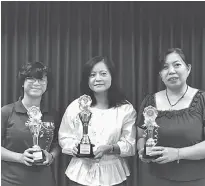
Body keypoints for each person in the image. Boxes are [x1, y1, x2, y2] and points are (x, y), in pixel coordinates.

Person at [58, 56, 136, 186]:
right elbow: (64, 137)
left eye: (103, 73)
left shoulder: (125, 109)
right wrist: (76, 149)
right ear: (86, 79)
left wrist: (110, 148)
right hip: (80, 174)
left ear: (112, 76)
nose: (98, 79)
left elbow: (130, 144)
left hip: (113, 175)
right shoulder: (76, 106)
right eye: (92, 75)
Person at [136, 48, 205, 186]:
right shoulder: (149, 102)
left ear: (188, 68)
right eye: (165, 67)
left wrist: (178, 153)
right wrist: (142, 151)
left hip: (194, 180)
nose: (171, 71)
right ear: (160, 74)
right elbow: (141, 136)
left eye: (177, 65)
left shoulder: (202, 100)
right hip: (154, 178)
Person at [1, 62, 60, 186]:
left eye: (41, 79)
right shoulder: (6, 112)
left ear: (47, 84)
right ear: (22, 83)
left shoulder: (52, 114)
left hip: (45, 181)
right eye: (31, 79)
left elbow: (57, 144)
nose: (37, 83)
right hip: (11, 181)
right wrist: (19, 157)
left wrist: (52, 156)